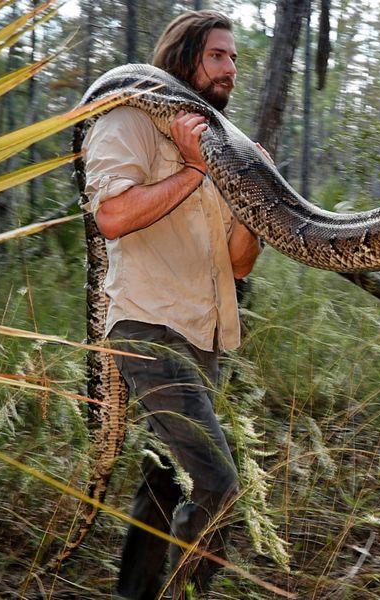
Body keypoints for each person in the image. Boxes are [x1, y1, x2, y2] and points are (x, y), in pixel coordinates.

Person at [80, 10, 263, 600]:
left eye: (234, 58)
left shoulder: (225, 146)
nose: (230, 68)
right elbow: (113, 215)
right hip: (148, 326)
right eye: (218, 55)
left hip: (202, 334)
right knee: (217, 483)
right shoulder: (130, 118)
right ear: (184, 59)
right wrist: (194, 168)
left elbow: (238, 264)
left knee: (162, 479)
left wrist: (256, 191)